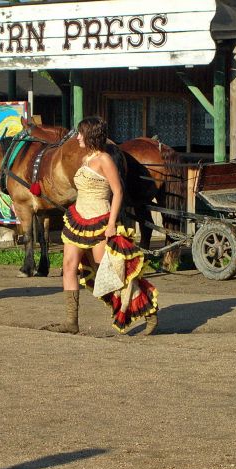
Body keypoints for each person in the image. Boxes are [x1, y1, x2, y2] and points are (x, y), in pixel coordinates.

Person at [41, 116, 159, 335]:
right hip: (78, 218)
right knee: (68, 266)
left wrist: (112, 223)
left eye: (81, 133)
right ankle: (71, 321)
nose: (77, 137)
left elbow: (118, 191)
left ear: (91, 135)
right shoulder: (86, 157)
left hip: (100, 219)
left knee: (110, 272)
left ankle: (148, 311)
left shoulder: (104, 159)